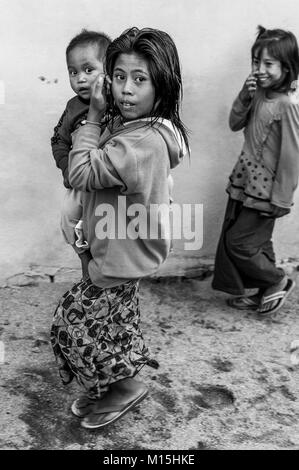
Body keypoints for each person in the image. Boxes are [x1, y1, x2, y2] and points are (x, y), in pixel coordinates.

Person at [51, 27, 189, 429]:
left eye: (140, 79)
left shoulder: (139, 143)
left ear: (161, 85)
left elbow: (79, 171)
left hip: (120, 256)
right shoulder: (140, 126)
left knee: (72, 325)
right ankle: (115, 387)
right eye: (120, 76)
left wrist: (92, 117)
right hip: (121, 249)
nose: (126, 89)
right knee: (112, 323)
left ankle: (123, 388)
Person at [212, 26, 299, 315]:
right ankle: (264, 289)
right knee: (259, 242)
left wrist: (282, 199)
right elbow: (235, 123)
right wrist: (244, 96)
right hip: (246, 179)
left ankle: (277, 280)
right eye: (255, 62)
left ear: (287, 68)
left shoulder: (287, 105)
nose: (259, 69)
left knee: (239, 243)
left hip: (267, 189)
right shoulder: (258, 93)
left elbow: (292, 156)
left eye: (268, 64)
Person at [51, 29, 111, 279]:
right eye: (73, 72)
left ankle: (106, 278)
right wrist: (68, 170)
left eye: (88, 70)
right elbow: (58, 140)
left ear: (109, 71)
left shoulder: (120, 104)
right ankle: (86, 263)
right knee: (69, 222)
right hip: (79, 186)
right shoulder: (73, 107)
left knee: (107, 237)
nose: (80, 79)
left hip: (107, 188)